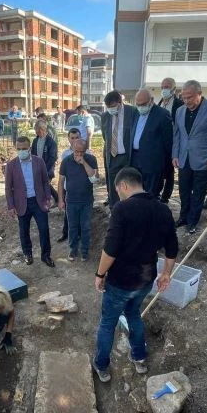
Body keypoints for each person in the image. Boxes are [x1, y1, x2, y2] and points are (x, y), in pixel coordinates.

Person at [92, 168, 178, 382]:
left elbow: (110, 249)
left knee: (108, 322)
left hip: (121, 281)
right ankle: (139, 358)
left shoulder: (122, 209)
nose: (119, 195)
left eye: (118, 191)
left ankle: (102, 365)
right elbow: (172, 247)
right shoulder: (163, 209)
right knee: (133, 314)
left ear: (123, 185)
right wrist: (166, 273)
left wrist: (100, 274)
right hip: (145, 279)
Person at [172, 80, 207, 235]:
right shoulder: (180, 111)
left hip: (204, 158)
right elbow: (177, 135)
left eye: (189, 97)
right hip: (184, 158)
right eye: (183, 97)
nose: (186, 101)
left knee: (199, 192)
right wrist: (175, 154)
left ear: (199, 94)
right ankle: (183, 217)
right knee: (184, 190)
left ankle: (193, 221)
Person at [5, 137, 54, 267]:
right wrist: (11, 206)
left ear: (29, 148)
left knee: (44, 229)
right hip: (21, 203)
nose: (21, 151)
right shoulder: (11, 165)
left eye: (24, 149)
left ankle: (46, 256)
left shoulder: (39, 161)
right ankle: (27, 254)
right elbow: (8, 188)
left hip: (39, 202)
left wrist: (48, 198)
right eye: (19, 149)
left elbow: (45, 181)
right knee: (24, 231)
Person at [58, 138, 98, 261]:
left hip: (87, 201)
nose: (79, 154)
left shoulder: (91, 159)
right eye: (77, 151)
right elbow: (61, 182)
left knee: (85, 227)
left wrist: (84, 163)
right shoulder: (66, 161)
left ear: (85, 150)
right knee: (72, 227)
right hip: (71, 201)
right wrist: (60, 200)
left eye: (82, 152)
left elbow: (94, 179)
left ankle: (85, 251)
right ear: (72, 149)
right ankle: (73, 250)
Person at [130, 88, 172, 199]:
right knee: (136, 192)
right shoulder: (135, 113)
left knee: (151, 194)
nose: (140, 107)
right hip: (135, 159)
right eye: (138, 104)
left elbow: (168, 141)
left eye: (143, 104)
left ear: (151, 100)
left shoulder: (163, 115)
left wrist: (164, 163)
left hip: (152, 162)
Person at [101, 90, 137, 206]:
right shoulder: (105, 116)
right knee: (113, 185)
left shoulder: (132, 112)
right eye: (108, 107)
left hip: (127, 156)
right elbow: (105, 136)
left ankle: (129, 206)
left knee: (128, 182)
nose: (110, 109)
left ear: (120, 102)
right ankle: (114, 208)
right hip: (112, 156)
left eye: (113, 106)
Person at [56, 127, 83, 243]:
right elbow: (63, 174)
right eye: (72, 138)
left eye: (77, 137)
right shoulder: (65, 154)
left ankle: (80, 234)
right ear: (68, 139)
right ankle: (65, 233)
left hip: (81, 189)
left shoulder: (86, 152)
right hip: (68, 188)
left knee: (81, 213)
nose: (75, 140)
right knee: (68, 213)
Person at [157, 78, 183, 203]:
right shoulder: (159, 104)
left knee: (169, 170)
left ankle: (165, 197)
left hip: (173, 142)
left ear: (173, 89)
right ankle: (157, 192)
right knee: (158, 169)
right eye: (162, 87)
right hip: (159, 143)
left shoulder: (179, 104)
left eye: (166, 87)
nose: (164, 89)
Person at [30, 118, 58, 204]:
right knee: (43, 185)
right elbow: (32, 154)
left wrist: (44, 169)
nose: (36, 132)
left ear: (42, 129)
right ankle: (53, 199)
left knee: (45, 184)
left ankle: (54, 199)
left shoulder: (51, 143)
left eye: (36, 130)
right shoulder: (35, 141)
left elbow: (52, 158)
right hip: (37, 168)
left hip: (47, 169)